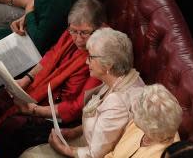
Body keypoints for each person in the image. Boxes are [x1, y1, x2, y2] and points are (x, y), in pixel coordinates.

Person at [0, 0, 105, 157]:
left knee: (13, 126)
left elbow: (77, 107)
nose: (77, 39)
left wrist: (35, 111)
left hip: (62, 112)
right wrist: (27, 79)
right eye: (73, 31)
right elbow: (52, 55)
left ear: (98, 28)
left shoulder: (102, 53)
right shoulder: (73, 31)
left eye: (84, 33)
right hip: (44, 88)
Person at [21, 28, 144, 158]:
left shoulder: (117, 104)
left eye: (91, 57)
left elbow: (95, 154)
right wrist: (75, 132)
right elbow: (102, 126)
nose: (86, 62)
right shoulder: (120, 77)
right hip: (84, 140)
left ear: (108, 65)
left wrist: (62, 149)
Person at [103, 85, 182, 157]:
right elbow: (113, 154)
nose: (132, 111)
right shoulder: (138, 125)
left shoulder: (165, 154)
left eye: (135, 110)